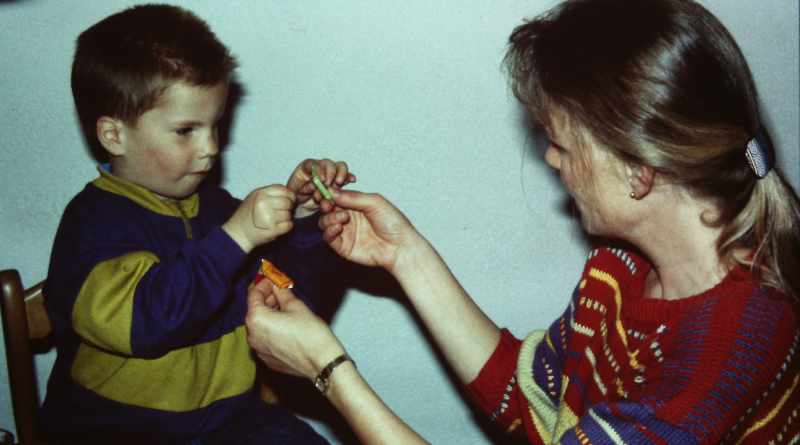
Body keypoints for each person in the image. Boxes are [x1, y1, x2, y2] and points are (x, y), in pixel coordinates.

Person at [244, 0, 800, 443]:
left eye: (560, 144)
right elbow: (532, 397)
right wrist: (403, 254)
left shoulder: (742, 338)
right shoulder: (621, 266)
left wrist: (328, 370)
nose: (552, 160)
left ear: (636, 172)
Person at [38, 4, 354, 444]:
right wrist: (237, 237)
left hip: (227, 424)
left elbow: (290, 299)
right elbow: (146, 321)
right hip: (113, 432)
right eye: (186, 130)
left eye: (215, 124)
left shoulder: (220, 210)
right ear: (114, 135)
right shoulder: (91, 225)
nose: (210, 147)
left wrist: (304, 221)